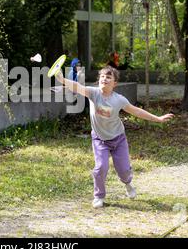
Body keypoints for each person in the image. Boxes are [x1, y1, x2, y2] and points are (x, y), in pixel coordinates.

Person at [55, 66, 174, 208]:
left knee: (123, 171)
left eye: (109, 77)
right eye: (102, 77)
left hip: (118, 139)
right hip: (100, 139)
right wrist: (62, 79)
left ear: (115, 83)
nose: (104, 79)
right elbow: (77, 86)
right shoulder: (93, 93)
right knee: (100, 167)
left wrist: (158, 119)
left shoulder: (119, 100)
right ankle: (98, 196)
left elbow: (136, 111)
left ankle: (128, 184)